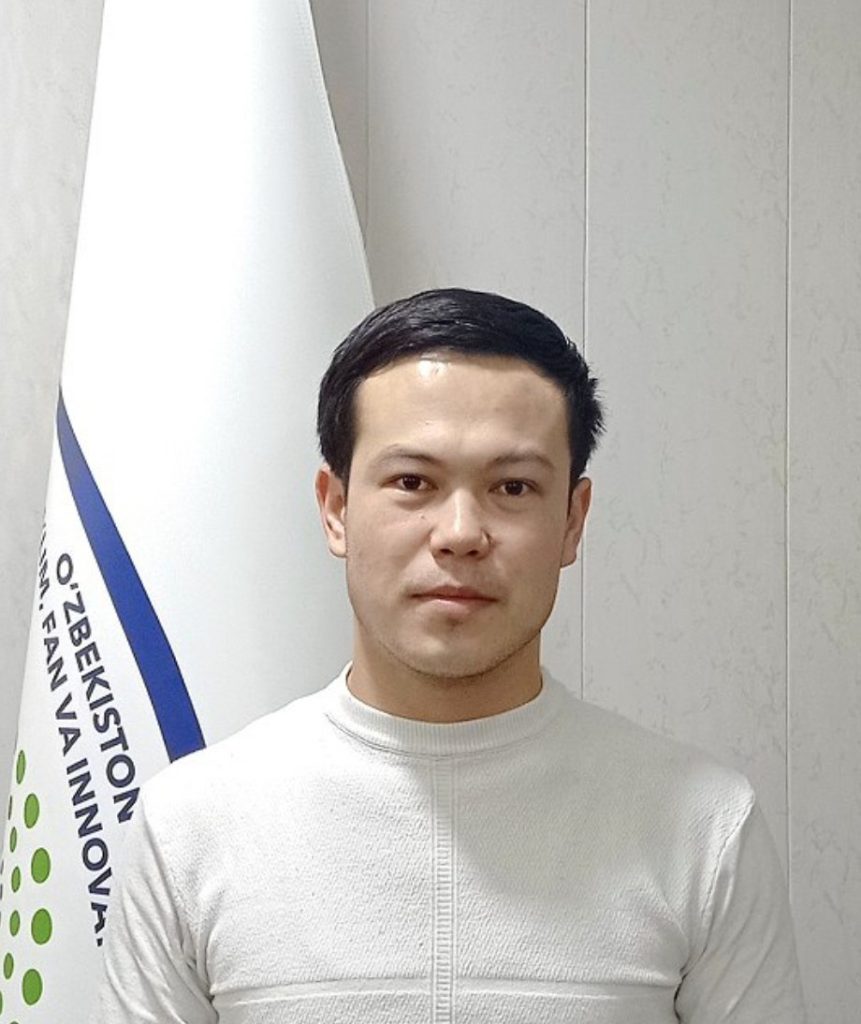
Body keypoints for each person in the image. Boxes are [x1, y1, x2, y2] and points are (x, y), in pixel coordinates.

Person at [92, 288, 807, 1023]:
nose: (460, 532)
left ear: (571, 520)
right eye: (412, 483)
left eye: (512, 487)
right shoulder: (193, 826)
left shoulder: (701, 825)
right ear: (335, 507)